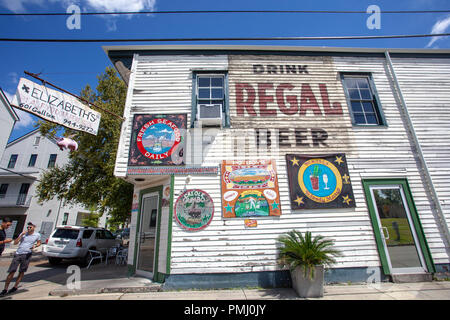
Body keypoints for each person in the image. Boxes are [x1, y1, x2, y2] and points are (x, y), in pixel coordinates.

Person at [0, 222, 41, 296]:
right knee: (12, 271)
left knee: (21, 271)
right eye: (28, 227)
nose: (28, 228)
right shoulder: (23, 234)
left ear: (34, 227)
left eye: (30, 227)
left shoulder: (37, 235)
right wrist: (21, 235)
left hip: (27, 254)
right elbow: (15, 243)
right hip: (18, 253)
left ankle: (15, 286)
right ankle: (5, 289)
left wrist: (35, 246)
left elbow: (39, 243)